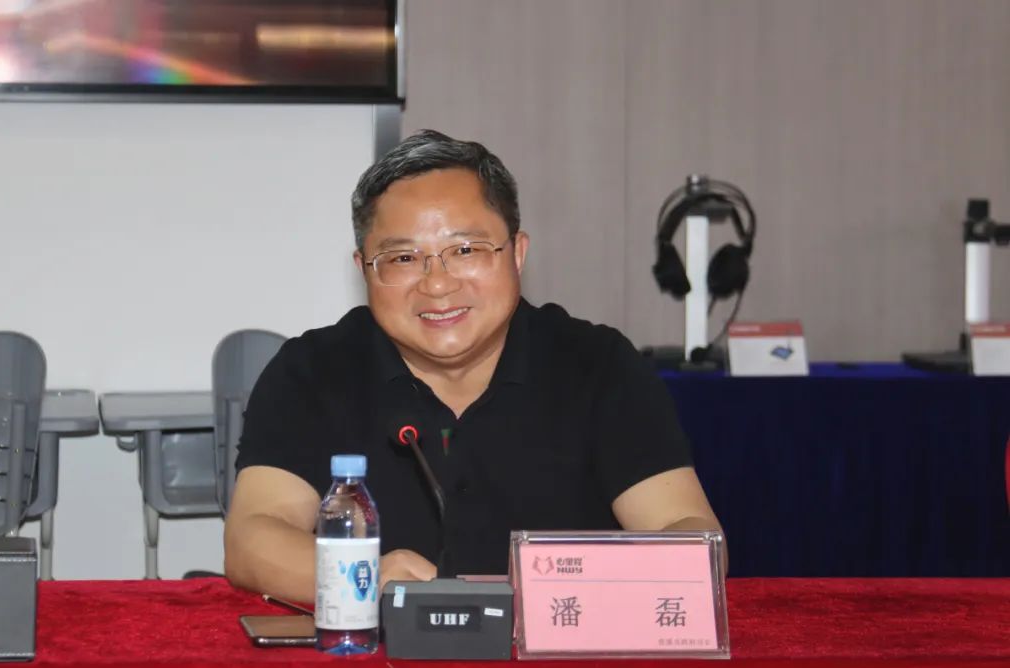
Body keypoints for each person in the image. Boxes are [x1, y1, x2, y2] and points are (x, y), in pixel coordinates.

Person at [224, 130, 724, 603]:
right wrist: (365, 577)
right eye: (402, 259)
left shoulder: (598, 365)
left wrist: (569, 583)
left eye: (465, 250)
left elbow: (689, 532)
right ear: (364, 271)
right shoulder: (311, 371)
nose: (438, 284)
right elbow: (252, 536)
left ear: (517, 254)